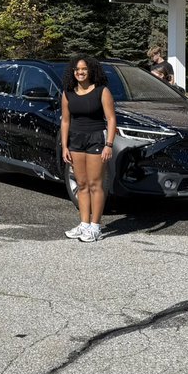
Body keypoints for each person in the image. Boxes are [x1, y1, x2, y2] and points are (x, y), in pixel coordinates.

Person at [61, 56, 119, 243]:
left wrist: (108, 144)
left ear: (91, 70)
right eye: (77, 69)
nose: (80, 72)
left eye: (84, 69)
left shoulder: (102, 91)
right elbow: (65, 121)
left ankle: (95, 227)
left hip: (96, 140)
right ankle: (84, 224)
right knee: (82, 184)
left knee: (96, 184)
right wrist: (64, 146)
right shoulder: (67, 93)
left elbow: (111, 119)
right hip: (75, 141)